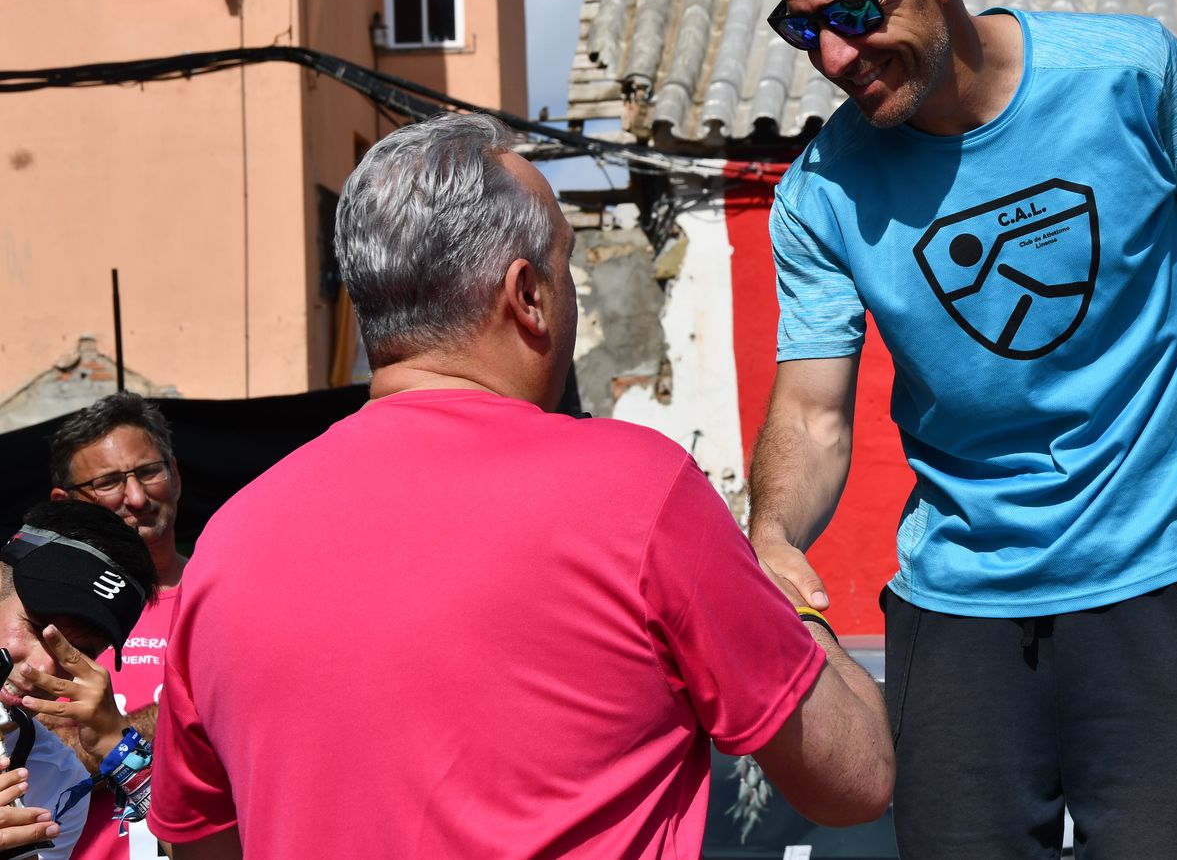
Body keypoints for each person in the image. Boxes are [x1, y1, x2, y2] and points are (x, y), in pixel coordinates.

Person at [148, 112, 893, 859]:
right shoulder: (636, 492)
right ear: (528, 294)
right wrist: (793, 602)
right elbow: (853, 778)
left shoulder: (225, 547)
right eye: (565, 266)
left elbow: (200, 845)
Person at [749, 0, 1177, 859]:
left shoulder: (1129, 75)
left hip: (1158, 581)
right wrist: (773, 534)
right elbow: (815, 409)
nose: (831, 55)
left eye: (855, 14)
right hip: (956, 615)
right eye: (802, 28)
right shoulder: (821, 194)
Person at [46, 393, 186, 860]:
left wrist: (110, 731)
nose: (137, 497)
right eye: (107, 482)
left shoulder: (232, 596)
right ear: (64, 503)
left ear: (176, 473)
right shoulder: (41, 614)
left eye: (149, 472)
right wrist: (185, 719)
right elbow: (49, 757)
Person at [0, 500, 159, 860]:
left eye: (78, 651)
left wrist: (119, 749)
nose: (39, 667)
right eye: (37, 627)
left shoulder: (56, 779)